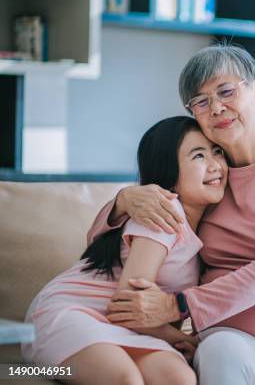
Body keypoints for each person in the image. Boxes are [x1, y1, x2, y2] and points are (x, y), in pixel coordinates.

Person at [89, 44, 255, 384]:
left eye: (226, 91)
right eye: (201, 101)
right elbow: (107, 240)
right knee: (221, 361)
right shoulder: (202, 179)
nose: (216, 107)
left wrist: (178, 306)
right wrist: (123, 201)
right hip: (232, 334)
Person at [22, 116, 228, 384]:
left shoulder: (208, 226)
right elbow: (127, 305)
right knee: (125, 379)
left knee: (179, 379)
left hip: (127, 326)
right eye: (199, 156)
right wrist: (184, 339)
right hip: (71, 313)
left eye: (217, 152)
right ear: (170, 173)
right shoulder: (163, 213)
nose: (215, 165)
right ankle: (12, 369)